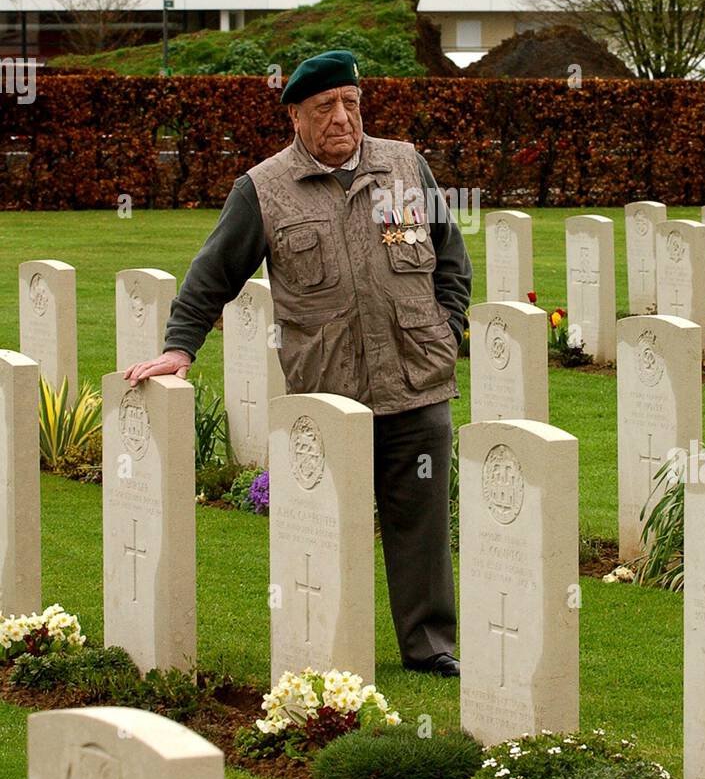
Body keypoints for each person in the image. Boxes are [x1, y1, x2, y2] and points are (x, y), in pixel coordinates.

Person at [124, 48, 472, 677]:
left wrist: (449, 329)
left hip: (416, 383)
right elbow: (213, 272)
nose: (342, 118)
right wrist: (180, 347)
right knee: (324, 524)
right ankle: (328, 646)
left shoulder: (404, 165)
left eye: (351, 103)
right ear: (295, 116)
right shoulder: (264, 189)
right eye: (324, 107)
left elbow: (450, 257)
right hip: (326, 391)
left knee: (420, 524)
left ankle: (430, 646)